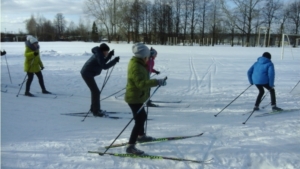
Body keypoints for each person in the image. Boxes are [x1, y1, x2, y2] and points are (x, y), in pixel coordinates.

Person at [125, 43, 167, 155]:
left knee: (142, 117)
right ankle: (131, 146)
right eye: (148, 57)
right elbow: (140, 84)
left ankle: (141, 136)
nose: (149, 59)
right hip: (134, 97)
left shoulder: (139, 63)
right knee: (139, 119)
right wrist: (156, 81)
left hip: (138, 96)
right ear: (143, 57)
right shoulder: (136, 67)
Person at [81, 43, 119, 117]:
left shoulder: (99, 54)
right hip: (87, 74)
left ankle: (94, 109)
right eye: (107, 51)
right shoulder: (99, 55)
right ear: (103, 51)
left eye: (108, 51)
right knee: (96, 92)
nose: (107, 53)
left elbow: (102, 62)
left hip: (88, 74)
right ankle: (96, 111)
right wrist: (114, 61)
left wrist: (110, 55)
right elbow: (104, 66)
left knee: (95, 92)